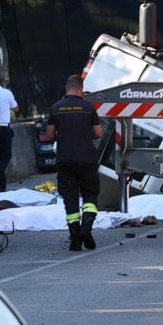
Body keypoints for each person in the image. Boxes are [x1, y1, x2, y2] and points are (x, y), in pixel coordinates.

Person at [44, 74, 103, 251]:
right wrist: (86, 133)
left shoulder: (56, 108)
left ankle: (75, 240)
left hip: (65, 159)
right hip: (87, 158)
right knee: (90, 196)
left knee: (70, 200)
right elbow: (99, 133)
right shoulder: (88, 107)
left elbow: (49, 136)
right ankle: (86, 228)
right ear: (81, 89)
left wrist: (61, 134)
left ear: (66, 88)